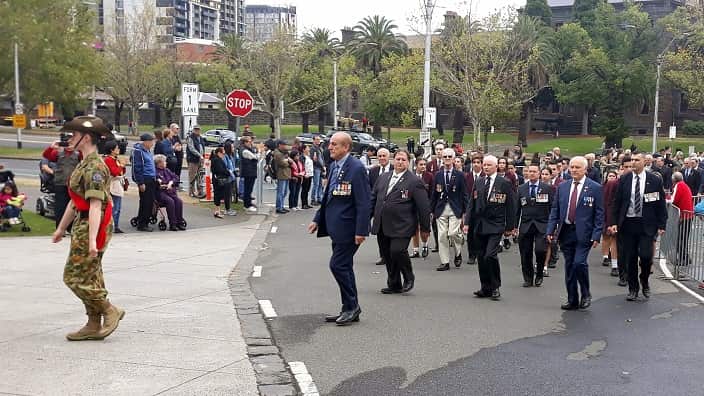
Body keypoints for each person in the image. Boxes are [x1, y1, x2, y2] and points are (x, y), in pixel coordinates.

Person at [50, 115, 124, 341]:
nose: (70, 138)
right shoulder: (83, 162)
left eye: (74, 135)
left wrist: (92, 240)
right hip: (83, 222)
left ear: (87, 137)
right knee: (92, 275)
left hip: (95, 223)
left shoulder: (95, 167)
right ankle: (93, 324)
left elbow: (95, 205)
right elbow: (75, 201)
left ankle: (109, 309)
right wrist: (61, 229)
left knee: (73, 277)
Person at [307, 132, 371, 326]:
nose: (330, 147)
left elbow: (364, 203)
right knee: (345, 266)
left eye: (335, 144)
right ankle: (349, 307)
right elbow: (328, 196)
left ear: (346, 148)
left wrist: (361, 231)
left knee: (337, 265)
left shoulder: (357, 168)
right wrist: (317, 218)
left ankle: (352, 306)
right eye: (330, 144)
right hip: (336, 227)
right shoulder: (334, 165)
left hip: (350, 228)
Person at [547, 156, 604, 310]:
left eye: (577, 167)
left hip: (584, 233)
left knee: (579, 263)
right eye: (572, 167)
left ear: (585, 169)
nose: (573, 170)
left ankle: (586, 293)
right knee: (569, 266)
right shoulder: (563, 187)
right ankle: (572, 299)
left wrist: (597, 234)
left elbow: (599, 213)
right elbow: (555, 210)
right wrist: (550, 229)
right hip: (566, 231)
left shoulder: (595, 188)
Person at [608, 152, 667, 301]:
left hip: (646, 224)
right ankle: (633, 288)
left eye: (636, 160)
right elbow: (617, 202)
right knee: (630, 258)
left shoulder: (654, 180)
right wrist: (613, 222)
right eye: (632, 160)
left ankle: (644, 279)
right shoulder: (625, 179)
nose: (633, 162)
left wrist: (662, 224)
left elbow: (660, 203)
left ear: (644, 162)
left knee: (646, 256)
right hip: (628, 223)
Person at [371, 150, 431, 294]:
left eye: (403, 160)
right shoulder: (383, 177)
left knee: (397, 251)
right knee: (387, 254)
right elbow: (373, 199)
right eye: (398, 159)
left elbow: (423, 207)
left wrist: (425, 228)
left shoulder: (415, 181)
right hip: (383, 223)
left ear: (408, 162)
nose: (400, 162)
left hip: (403, 224)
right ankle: (394, 283)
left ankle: (409, 277)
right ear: (393, 160)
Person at [465, 155, 516, 301]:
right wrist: (467, 222)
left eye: (488, 165)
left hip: (496, 224)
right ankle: (485, 287)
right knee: (481, 256)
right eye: (484, 165)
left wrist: (510, 227)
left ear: (496, 166)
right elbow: (471, 203)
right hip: (479, 224)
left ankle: (495, 287)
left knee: (490, 255)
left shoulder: (504, 183)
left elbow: (511, 206)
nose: (485, 167)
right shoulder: (479, 181)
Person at [515, 163, 554, 287]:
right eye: (529, 171)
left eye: (534, 171)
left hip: (542, 225)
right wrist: (514, 226)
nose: (531, 173)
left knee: (540, 250)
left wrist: (552, 227)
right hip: (526, 225)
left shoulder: (547, 188)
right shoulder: (521, 188)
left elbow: (552, 208)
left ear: (539, 173)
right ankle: (528, 278)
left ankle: (540, 274)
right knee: (525, 253)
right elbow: (517, 209)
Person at [431, 148, 469, 271]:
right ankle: (445, 262)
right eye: (445, 157)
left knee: (453, 233)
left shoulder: (460, 175)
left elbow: (464, 193)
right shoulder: (438, 175)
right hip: (441, 208)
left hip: (455, 208)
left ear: (453, 159)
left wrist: (465, 211)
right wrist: (431, 210)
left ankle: (458, 252)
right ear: (442, 159)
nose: (447, 159)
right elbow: (434, 194)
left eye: (449, 157)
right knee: (442, 236)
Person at [43, 137, 82, 230]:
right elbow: (46, 156)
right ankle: (60, 227)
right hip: (60, 183)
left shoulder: (78, 154)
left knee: (73, 206)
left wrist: (78, 147)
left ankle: (70, 227)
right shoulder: (58, 153)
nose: (69, 146)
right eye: (67, 144)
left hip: (73, 184)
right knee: (60, 206)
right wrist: (52, 147)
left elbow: (85, 156)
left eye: (71, 143)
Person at [669, 171, 694, 272]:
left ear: (674, 179)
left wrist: (667, 200)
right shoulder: (684, 185)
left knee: (681, 238)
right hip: (687, 214)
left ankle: (684, 259)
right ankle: (686, 257)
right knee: (683, 238)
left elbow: (674, 200)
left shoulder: (679, 186)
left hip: (684, 215)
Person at [132, 133, 157, 232]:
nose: (152, 143)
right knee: (146, 202)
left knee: (149, 202)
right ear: (145, 142)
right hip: (145, 179)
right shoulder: (139, 152)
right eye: (151, 141)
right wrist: (140, 182)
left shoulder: (148, 151)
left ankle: (143, 220)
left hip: (151, 178)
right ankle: (143, 224)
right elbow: (137, 168)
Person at [154, 154, 186, 230]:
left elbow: (175, 177)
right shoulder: (155, 172)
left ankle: (179, 222)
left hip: (170, 191)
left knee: (179, 201)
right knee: (170, 201)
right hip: (161, 193)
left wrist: (171, 182)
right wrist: (161, 184)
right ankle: (173, 223)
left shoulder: (167, 170)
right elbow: (156, 182)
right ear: (159, 163)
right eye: (164, 161)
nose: (166, 163)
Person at [103, 140, 126, 234]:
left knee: (118, 207)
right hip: (112, 185)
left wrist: (122, 166)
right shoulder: (108, 160)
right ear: (112, 150)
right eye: (117, 148)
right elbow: (114, 172)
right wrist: (121, 165)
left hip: (118, 184)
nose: (119, 149)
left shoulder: (115, 159)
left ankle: (115, 225)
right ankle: (110, 225)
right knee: (114, 207)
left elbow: (121, 172)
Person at [601, 169, 620, 278]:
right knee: (609, 238)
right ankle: (609, 259)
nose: (612, 178)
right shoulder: (607, 186)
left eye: (614, 176)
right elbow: (607, 203)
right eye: (610, 176)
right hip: (609, 217)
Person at [210, 146, 234, 218]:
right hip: (219, 180)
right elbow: (220, 170)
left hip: (218, 180)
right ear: (219, 153)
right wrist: (228, 172)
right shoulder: (217, 160)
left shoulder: (216, 159)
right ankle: (217, 211)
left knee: (218, 195)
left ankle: (218, 211)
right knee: (218, 195)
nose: (224, 155)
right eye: (223, 153)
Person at [239, 136, 260, 213]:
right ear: (245, 142)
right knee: (247, 189)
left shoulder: (247, 149)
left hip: (250, 172)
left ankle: (249, 203)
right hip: (248, 172)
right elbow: (255, 157)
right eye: (249, 141)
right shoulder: (245, 151)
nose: (250, 143)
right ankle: (247, 205)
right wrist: (259, 151)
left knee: (249, 189)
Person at [274, 140, 292, 214]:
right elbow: (283, 163)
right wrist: (288, 161)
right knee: (280, 192)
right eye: (283, 145)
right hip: (281, 174)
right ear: (279, 145)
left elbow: (289, 160)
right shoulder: (278, 153)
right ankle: (279, 207)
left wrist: (287, 160)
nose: (285, 146)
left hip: (286, 174)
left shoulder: (284, 153)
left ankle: (281, 206)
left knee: (284, 192)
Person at [186, 125, 205, 197]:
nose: (197, 131)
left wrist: (202, 156)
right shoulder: (190, 138)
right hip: (193, 159)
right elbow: (191, 148)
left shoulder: (201, 138)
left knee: (200, 176)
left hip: (201, 159)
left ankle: (200, 191)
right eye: (196, 129)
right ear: (193, 130)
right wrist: (199, 155)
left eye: (198, 129)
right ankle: (191, 192)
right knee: (192, 176)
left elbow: (202, 147)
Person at [310, 135, 326, 205]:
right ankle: (313, 199)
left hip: (321, 168)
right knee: (316, 184)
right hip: (316, 168)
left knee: (320, 184)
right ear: (313, 140)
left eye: (319, 139)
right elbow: (315, 160)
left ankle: (319, 198)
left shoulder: (320, 148)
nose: (318, 141)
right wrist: (322, 166)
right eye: (317, 139)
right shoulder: (313, 149)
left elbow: (322, 158)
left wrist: (324, 166)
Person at [168, 123, 184, 190]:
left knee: (178, 170)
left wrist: (180, 147)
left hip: (179, 155)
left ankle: (177, 183)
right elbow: (170, 146)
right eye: (176, 128)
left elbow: (180, 144)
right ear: (172, 128)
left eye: (178, 128)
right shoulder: (170, 137)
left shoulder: (178, 136)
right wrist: (175, 147)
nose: (178, 130)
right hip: (173, 156)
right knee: (172, 170)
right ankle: (172, 184)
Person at [301, 145, 314, 209]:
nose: (309, 149)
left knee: (307, 190)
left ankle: (306, 203)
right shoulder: (302, 157)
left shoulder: (308, 156)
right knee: (304, 190)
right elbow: (302, 166)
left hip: (310, 175)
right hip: (305, 175)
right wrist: (304, 174)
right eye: (307, 148)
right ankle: (303, 204)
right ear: (303, 150)